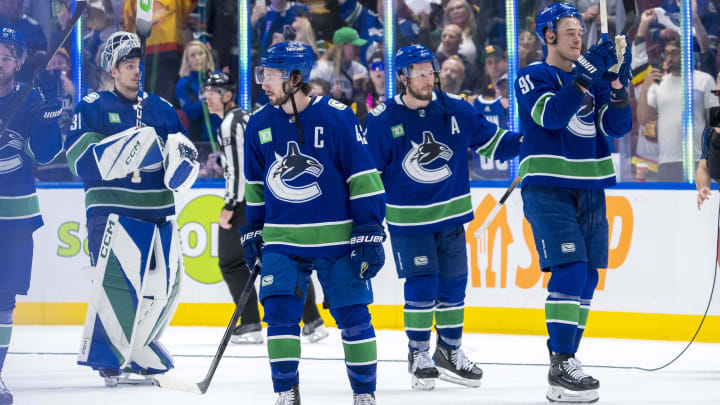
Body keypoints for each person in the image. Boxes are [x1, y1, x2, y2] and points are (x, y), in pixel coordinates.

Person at [363, 44, 523, 391]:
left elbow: (493, 143)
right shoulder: (381, 120)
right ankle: (418, 353)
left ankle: (449, 351)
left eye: (429, 70)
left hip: (451, 220)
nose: (426, 78)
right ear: (402, 77)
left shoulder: (457, 109)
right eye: (418, 72)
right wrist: (367, 224)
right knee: (422, 286)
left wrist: (530, 141)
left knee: (453, 287)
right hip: (408, 222)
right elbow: (368, 178)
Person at [241, 41, 386, 405]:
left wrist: (368, 229)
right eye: (262, 75)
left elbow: (364, 177)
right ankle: (286, 391)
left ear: (295, 78)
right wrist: (253, 229)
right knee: (278, 312)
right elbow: (256, 187)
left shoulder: (338, 116)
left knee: (353, 316)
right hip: (282, 239)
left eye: (270, 76)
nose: (263, 84)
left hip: (337, 239)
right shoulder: (258, 124)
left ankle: (364, 394)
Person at [65, 31, 199, 386]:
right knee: (117, 285)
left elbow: (181, 162)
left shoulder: (162, 109)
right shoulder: (92, 106)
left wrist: (181, 158)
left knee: (166, 285)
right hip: (111, 212)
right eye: (128, 65)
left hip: (157, 211)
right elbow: (79, 160)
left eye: (138, 65)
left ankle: (139, 346)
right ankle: (107, 355)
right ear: (112, 68)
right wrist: (127, 147)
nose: (136, 71)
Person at [515, 3, 632, 402]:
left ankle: (567, 361)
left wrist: (617, 87)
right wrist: (583, 79)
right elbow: (550, 117)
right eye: (568, 31)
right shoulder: (533, 75)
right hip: (548, 186)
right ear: (548, 36)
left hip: (591, 186)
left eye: (580, 31)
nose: (577, 37)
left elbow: (616, 128)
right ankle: (561, 361)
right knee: (569, 270)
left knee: (587, 278)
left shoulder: (594, 78)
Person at [204, 72, 328, 345]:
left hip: (248, 199)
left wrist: (230, 205)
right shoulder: (248, 119)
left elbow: (239, 169)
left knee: (231, 261)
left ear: (227, 95)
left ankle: (250, 323)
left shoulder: (231, 123)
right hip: (272, 195)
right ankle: (312, 320)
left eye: (213, 92)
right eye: (206, 92)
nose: (207, 97)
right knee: (284, 254)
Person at [0, 27, 62, 405]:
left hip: (17, 220)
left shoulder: (31, 98)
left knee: (3, 303)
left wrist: (49, 117)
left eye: (5, 56)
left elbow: (45, 155)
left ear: (18, 63)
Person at [637, 37, 719, 181]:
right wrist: (644, 88)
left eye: (674, 53)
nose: (669, 57)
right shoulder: (658, 83)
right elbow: (643, 119)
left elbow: (714, 123)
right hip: (666, 160)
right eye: (667, 53)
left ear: (686, 54)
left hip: (698, 159)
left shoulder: (705, 80)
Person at [176, 40, 217, 142]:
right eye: (192, 55)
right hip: (199, 140)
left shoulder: (218, 77)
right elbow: (191, 113)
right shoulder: (183, 84)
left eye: (200, 53)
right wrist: (208, 96)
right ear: (187, 60)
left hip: (223, 135)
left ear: (207, 56)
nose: (197, 58)